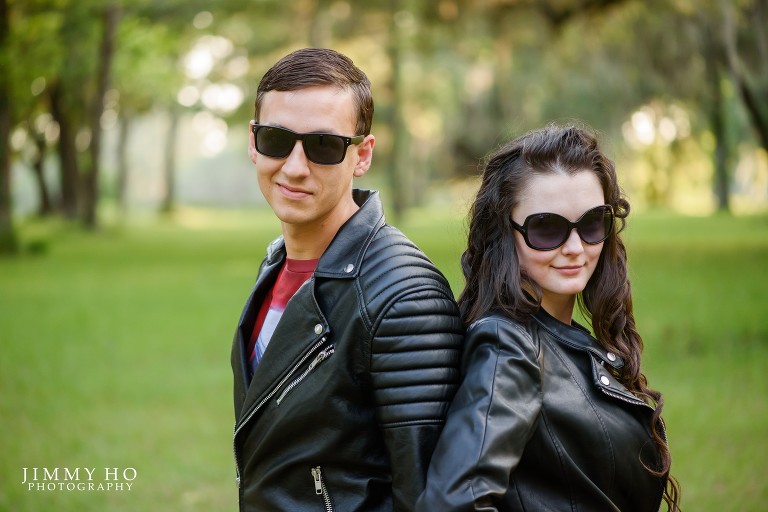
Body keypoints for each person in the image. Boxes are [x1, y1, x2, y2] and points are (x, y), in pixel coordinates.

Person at [230, 47, 464, 511]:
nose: (294, 167)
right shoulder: (276, 262)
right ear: (253, 142)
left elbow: (428, 495)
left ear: (362, 155)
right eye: (276, 139)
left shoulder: (406, 296)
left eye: (323, 145)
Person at [416, 124, 681, 511]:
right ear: (503, 233)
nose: (575, 247)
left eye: (592, 223)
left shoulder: (558, 336)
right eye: (546, 228)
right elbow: (454, 502)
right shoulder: (508, 348)